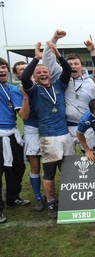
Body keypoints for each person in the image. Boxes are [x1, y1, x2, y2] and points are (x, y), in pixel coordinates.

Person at [21, 42, 75, 219]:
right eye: (39, 73)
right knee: (50, 172)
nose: (43, 74)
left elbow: (67, 71)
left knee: (68, 170)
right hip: (48, 138)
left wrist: (59, 55)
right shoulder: (34, 90)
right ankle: (51, 202)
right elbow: (24, 78)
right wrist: (36, 59)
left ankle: (70, 199)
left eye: (45, 72)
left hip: (65, 135)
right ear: (35, 78)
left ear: (50, 74)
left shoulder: (59, 86)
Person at [42, 29, 95, 153]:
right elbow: (47, 60)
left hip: (87, 126)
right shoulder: (60, 76)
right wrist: (54, 39)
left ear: (82, 66)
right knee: (68, 160)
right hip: (67, 126)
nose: (73, 66)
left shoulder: (90, 83)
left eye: (76, 64)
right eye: (70, 64)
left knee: (91, 156)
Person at [0, 58, 30, 223]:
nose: (1, 70)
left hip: (11, 133)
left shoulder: (13, 89)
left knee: (17, 168)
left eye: (3, 67)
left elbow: (22, 114)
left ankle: (12, 197)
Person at [11, 61, 44, 211]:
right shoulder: (16, 90)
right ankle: (38, 197)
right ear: (17, 75)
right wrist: (25, 97)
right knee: (35, 166)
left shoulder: (41, 83)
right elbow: (23, 116)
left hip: (49, 129)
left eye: (26, 68)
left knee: (54, 165)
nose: (25, 71)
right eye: (21, 70)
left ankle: (52, 195)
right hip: (32, 130)